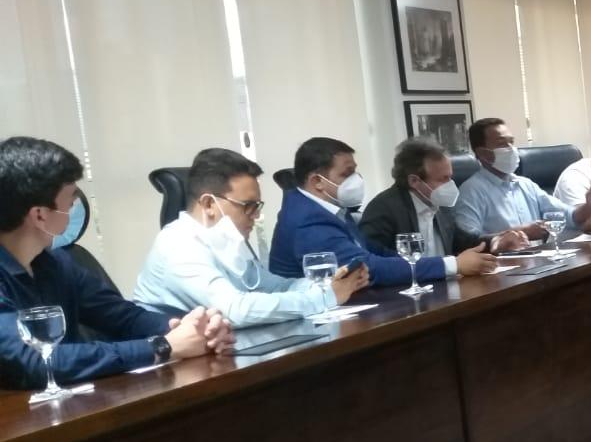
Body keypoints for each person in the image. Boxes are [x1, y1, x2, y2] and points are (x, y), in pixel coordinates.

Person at [0, 136, 232, 390]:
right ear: (40, 215)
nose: (75, 206)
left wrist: (194, 329)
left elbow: (123, 318)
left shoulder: (56, 264)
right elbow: (33, 362)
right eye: (70, 200)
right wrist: (162, 346)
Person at [133, 148, 370, 327]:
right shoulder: (178, 245)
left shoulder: (225, 238)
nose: (256, 215)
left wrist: (328, 284)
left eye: (257, 206)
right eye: (248, 206)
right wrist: (325, 297)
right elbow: (236, 310)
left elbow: (274, 286)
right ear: (208, 204)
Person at [268, 137, 496, 285]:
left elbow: (376, 253)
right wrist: (452, 265)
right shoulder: (307, 219)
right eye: (346, 174)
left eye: (355, 172)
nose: (356, 180)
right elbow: (366, 267)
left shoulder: (331, 209)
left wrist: (427, 265)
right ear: (317, 181)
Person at [361, 138, 530, 256]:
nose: (450, 185)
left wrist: (496, 241)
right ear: (414, 181)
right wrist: (446, 266)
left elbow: (463, 242)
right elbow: (377, 261)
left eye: (450, 177)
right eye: (443, 179)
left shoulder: (441, 205)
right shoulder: (384, 209)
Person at [454, 118, 591, 240]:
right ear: (482, 153)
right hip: (502, 263)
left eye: (511, 142)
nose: (511, 149)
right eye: (502, 143)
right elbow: (468, 241)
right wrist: (519, 233)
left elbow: (568, 217)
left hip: (539, 259)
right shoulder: (471, 191)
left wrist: (589, 207)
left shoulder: (525, 185)